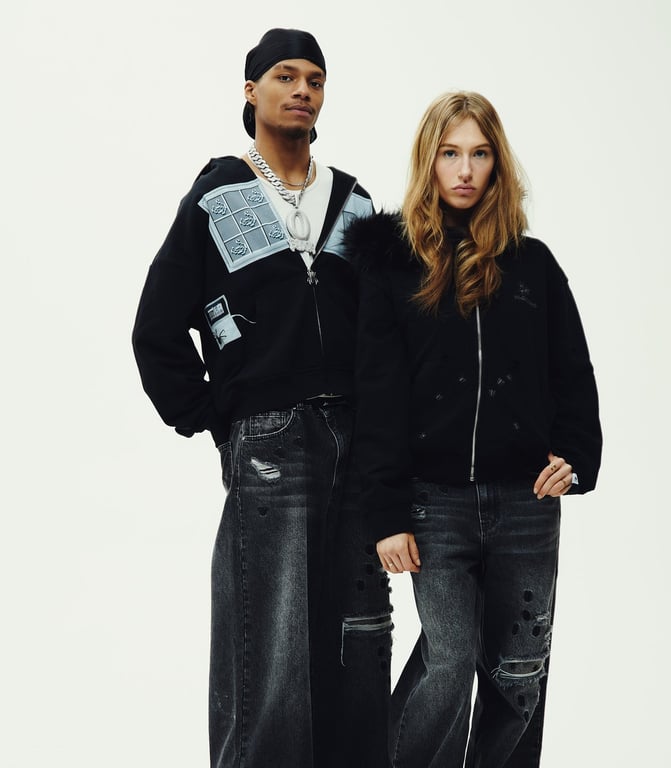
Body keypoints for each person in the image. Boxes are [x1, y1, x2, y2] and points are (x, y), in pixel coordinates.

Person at [132, 28, 392, 768]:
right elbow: (156, 327)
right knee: (271, 642)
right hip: (271, 439)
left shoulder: (353, 199)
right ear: (251, 92)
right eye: (285, 75)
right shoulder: (218, 195)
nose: (303, 89)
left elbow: (385, 331)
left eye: (316, 78)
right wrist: (215, 416)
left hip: (358, 438)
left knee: (358, 634)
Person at [344, 91, 602, 767]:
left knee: (519, 674)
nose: (464, 170)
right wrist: (385, 514)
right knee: (451, 659)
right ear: (428, 162)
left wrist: (575, 454)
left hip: (527, 504)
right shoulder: (395, 267)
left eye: (480, 154)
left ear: (497, 164)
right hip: (435, 506)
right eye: (450, 153)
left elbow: (572, 372)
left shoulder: (533, 264)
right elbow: (377, 396)